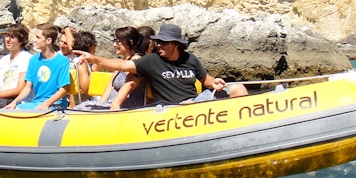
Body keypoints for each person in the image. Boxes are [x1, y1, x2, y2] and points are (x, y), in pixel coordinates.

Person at [77, 23, 246, 105]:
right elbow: (123, 66)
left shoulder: (190, 59)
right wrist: (96, 59)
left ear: (176, 45)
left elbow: (205, 79)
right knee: (188, 105)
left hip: (194, 101)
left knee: (238, 88)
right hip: (171, 109)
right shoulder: (152, 61)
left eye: (164, 43)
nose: (159, 45)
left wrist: (214, 82)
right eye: (158, 42)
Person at [74, 26, 146, 110]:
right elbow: (110, 87)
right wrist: (100, 104)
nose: (114, 45)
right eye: (114, 41)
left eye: (118, 42)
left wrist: (112, 106)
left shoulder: (136, 62)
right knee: (81, 108)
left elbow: (130, 84)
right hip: (110, 103)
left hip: (126, 106)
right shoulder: (122, 61)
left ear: (130, 42)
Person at [6, 24, 71, 111]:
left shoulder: (62, 61)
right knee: (13, 110)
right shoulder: (33, 60)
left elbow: (63, 89)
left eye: (38, 37)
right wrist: (14, 102)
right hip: (36, 103)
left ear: (48, 40)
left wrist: (47, 103)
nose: (34, 40)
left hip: (56, 105)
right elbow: (28, 87)